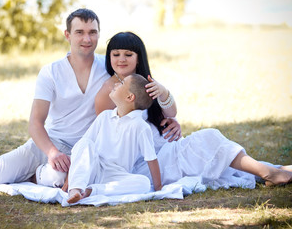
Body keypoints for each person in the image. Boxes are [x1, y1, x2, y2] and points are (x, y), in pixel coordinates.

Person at [95, 31, 292, 188]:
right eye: (116, 54)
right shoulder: (109, 92)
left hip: (165, 147)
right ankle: (269, 172)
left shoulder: (145, 83)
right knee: (208, 139)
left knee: (208, 146)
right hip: (146, 162)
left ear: (138, 58)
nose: (121, 59)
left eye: (128, 54)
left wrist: (164, 94)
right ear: (109, 57)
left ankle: (270, 170)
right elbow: (109, 136)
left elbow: (170, 113)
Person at [0, 8, 110, 187]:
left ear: (99, 34)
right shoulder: (51, 72)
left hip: (85, 149)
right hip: (50, 142)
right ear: (67, 35)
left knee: (59, 179)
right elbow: (35, 123)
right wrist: (52, 153)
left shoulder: (109, 67)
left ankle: (31, 176)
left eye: (92, 32)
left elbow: (134, 81)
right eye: (79, 32)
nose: (87, 39)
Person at [67, 74, 162, 204]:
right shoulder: (104, 117)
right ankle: (75, 188)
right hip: (94, 168)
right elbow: (81, 150)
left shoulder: (140, 126)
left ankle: (92, 191)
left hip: (116, 176)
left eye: (122, 83)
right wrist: (69, 181)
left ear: (129, 97)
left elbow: (151, 159)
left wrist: (159, 188)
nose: (116, 84)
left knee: (144, 183)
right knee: (85, 143)